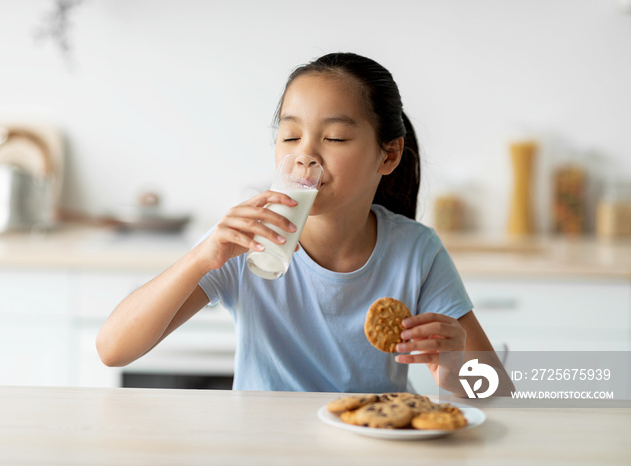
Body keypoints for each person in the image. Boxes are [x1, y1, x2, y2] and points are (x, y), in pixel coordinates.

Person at [97, 52, 513, 396]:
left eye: (334, 139)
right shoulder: (245, 239)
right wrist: (200, 259)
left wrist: (452, 363)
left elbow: (496, 390)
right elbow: (112, 349)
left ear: (388, 155)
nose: (305, 156)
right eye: (290, 137)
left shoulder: (415, 250)